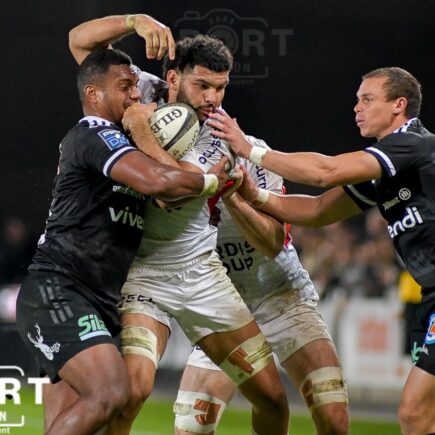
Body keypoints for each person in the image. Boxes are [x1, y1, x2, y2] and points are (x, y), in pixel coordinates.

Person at [69, 14, 289, 435]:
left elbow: (170, 193)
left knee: (272, 398)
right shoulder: (141, 89)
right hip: (142, 272)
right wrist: (134, 21)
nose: (213, 98)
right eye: (202, 85)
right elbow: (79, 42)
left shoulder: (222, 134)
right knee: (131, 392)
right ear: (172, 78)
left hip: (201, 273)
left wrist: (140, 130)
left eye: (221, 88)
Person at [208, 67, 435, 435]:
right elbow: (317, 210)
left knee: (414, 413)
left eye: (367, 99)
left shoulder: (412, 144)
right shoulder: (384, 170)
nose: (357, 108)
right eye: (357, 100)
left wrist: (250, 150)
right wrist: (253, 194)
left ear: (399, 105)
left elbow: (325, 172)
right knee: (422, 416)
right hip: (429, 295)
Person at [15, 45, 229, 435]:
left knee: (80, 417)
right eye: (124, 87)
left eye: (135, 86)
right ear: (94, 94)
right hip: (59, 292)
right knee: (112, 393)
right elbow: (159, 181)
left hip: (95, 297)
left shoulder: (123, 143)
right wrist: (212, 181)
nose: (135, 95)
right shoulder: (94, 133)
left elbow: (166, 193)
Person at [173, 141, 349, 435]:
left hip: (282, 297)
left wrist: (232, 196)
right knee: (190, 428)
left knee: (333, 418)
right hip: (224, 308)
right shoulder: (171, 168)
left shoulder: (252, 153)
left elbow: (272, 242)